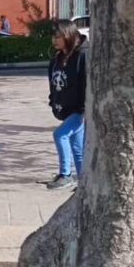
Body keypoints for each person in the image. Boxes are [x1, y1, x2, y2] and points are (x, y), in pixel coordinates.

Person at [46, 19, 87, 191]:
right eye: (53, 37)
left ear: (68, 35)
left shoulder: (82, 55)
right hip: (64, 109)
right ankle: (85, 182)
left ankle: (65, 175)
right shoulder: (57, 59)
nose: (54, 40)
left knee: (60, 135)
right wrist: (53, 100)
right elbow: (53, 82)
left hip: (78, 110)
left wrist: (85, 106)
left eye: (58, 36)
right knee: (77, 147)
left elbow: (85, 81)